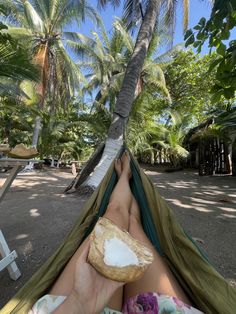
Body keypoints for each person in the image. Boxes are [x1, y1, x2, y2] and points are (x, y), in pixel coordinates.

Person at [30, 152, 203, 314]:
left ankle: (123, 178)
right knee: (130, 221)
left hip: (72, 306)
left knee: (116, 211)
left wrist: (80, 302)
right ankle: (127, 184)